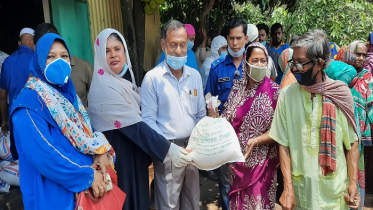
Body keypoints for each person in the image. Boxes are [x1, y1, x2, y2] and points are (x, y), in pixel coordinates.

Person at [88, 28, 191, 210]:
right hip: (118, 163)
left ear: (125, 52)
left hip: (135, 158)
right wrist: (168, 150)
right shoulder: (103, 87)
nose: (113, 55)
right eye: (106, 51)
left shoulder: (126, 82)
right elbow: (135, 127)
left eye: (117, 49)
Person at [10, 33, 113, 210]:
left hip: (85, 196)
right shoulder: (28, 104)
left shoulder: (67, 96)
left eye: (64, 56)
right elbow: (44, 155)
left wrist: (101, 152)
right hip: (53, 199)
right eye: (50, 57)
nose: (59, 61)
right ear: (39, 62)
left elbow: (87, 132)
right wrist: (86, 175)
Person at [269, 30, 361, 210]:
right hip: (301, 194)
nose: (294, 68)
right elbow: (283, 143)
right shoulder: (287, 95)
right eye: (292, 62)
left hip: (334, 194)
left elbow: (352, 143)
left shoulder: (340, 94)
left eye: (300, 63)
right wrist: (287, 187)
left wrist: (353, 183)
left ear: (319, 63)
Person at [141, 20, 205, 210]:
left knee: (192, 202)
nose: (178, 50)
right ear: (163, 45)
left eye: (182, 45)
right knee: (169, 205)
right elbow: (148, 121)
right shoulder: (152, 79)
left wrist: (199, 142)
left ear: (188, 45)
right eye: (173, 45)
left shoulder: (194, 76)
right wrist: (168, 150)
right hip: (167, 151)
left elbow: (201, 113)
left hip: (193, 149)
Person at [209, 42, 280, 209]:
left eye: (263, 61)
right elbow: (227, 119)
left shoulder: (275, 91)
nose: (260, 65)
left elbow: (280, 128)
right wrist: (215, 117)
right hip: (236, 163)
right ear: (246, 63)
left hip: (262, 166)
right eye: (255, 60)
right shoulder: (237, 87)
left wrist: (256, 140)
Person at [204, 18, 248, 210]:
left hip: (249, 136)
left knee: (248, 180)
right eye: (231, 39)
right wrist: (211, 111)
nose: (235, 43)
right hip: (224, 136)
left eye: (239, 38)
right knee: (225, 184)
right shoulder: (217, 67)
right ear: (227, 39)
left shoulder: (254, 64)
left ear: (246, 38)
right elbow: (208, 96)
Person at [336, 41, 373, 209]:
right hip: (337, 129)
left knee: (355, 170)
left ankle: (354, 202)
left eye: (364, 55)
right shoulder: (338, 73)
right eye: (357, 54)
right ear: (349, 53)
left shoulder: (367, 77)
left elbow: (370, 105)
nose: (360, 58)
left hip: (357, 134)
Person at [33, 23, 93, 108]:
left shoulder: (84, 67)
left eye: (63, 56)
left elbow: (99, 99)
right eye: (50, 56)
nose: (57, 61)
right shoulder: (34, 78)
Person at [0, 28, 34, 138]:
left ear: (19, 42)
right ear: (33, 41)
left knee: (19, 151)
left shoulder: (7, 61)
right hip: (35, 117)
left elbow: (2, 96)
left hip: (14, 117)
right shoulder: (36, 59)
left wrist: (4, 120)